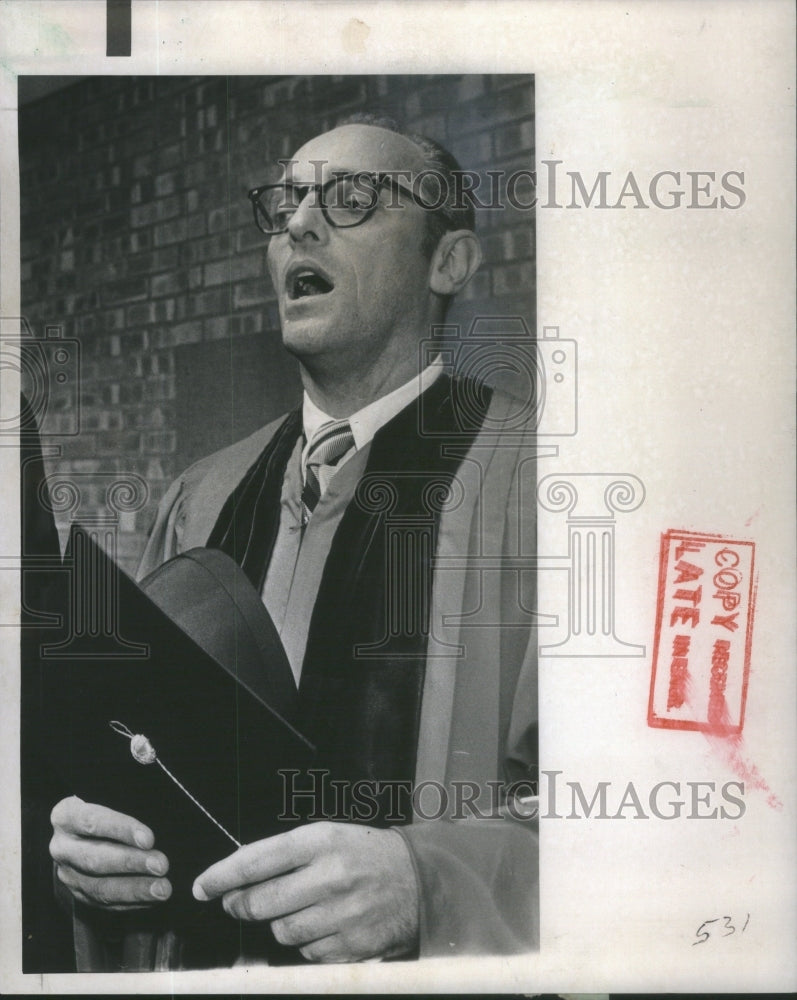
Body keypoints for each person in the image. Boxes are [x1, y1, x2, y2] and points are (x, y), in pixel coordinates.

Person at [48, 114, 539, 968]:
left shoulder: (541, 484)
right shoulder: (202, 495)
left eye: (352, 200)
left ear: (447, 261)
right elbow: (134, 748)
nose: (299, 225)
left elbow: (655, 829)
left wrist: (430, 884)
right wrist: (93, 847)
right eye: (285, 204)